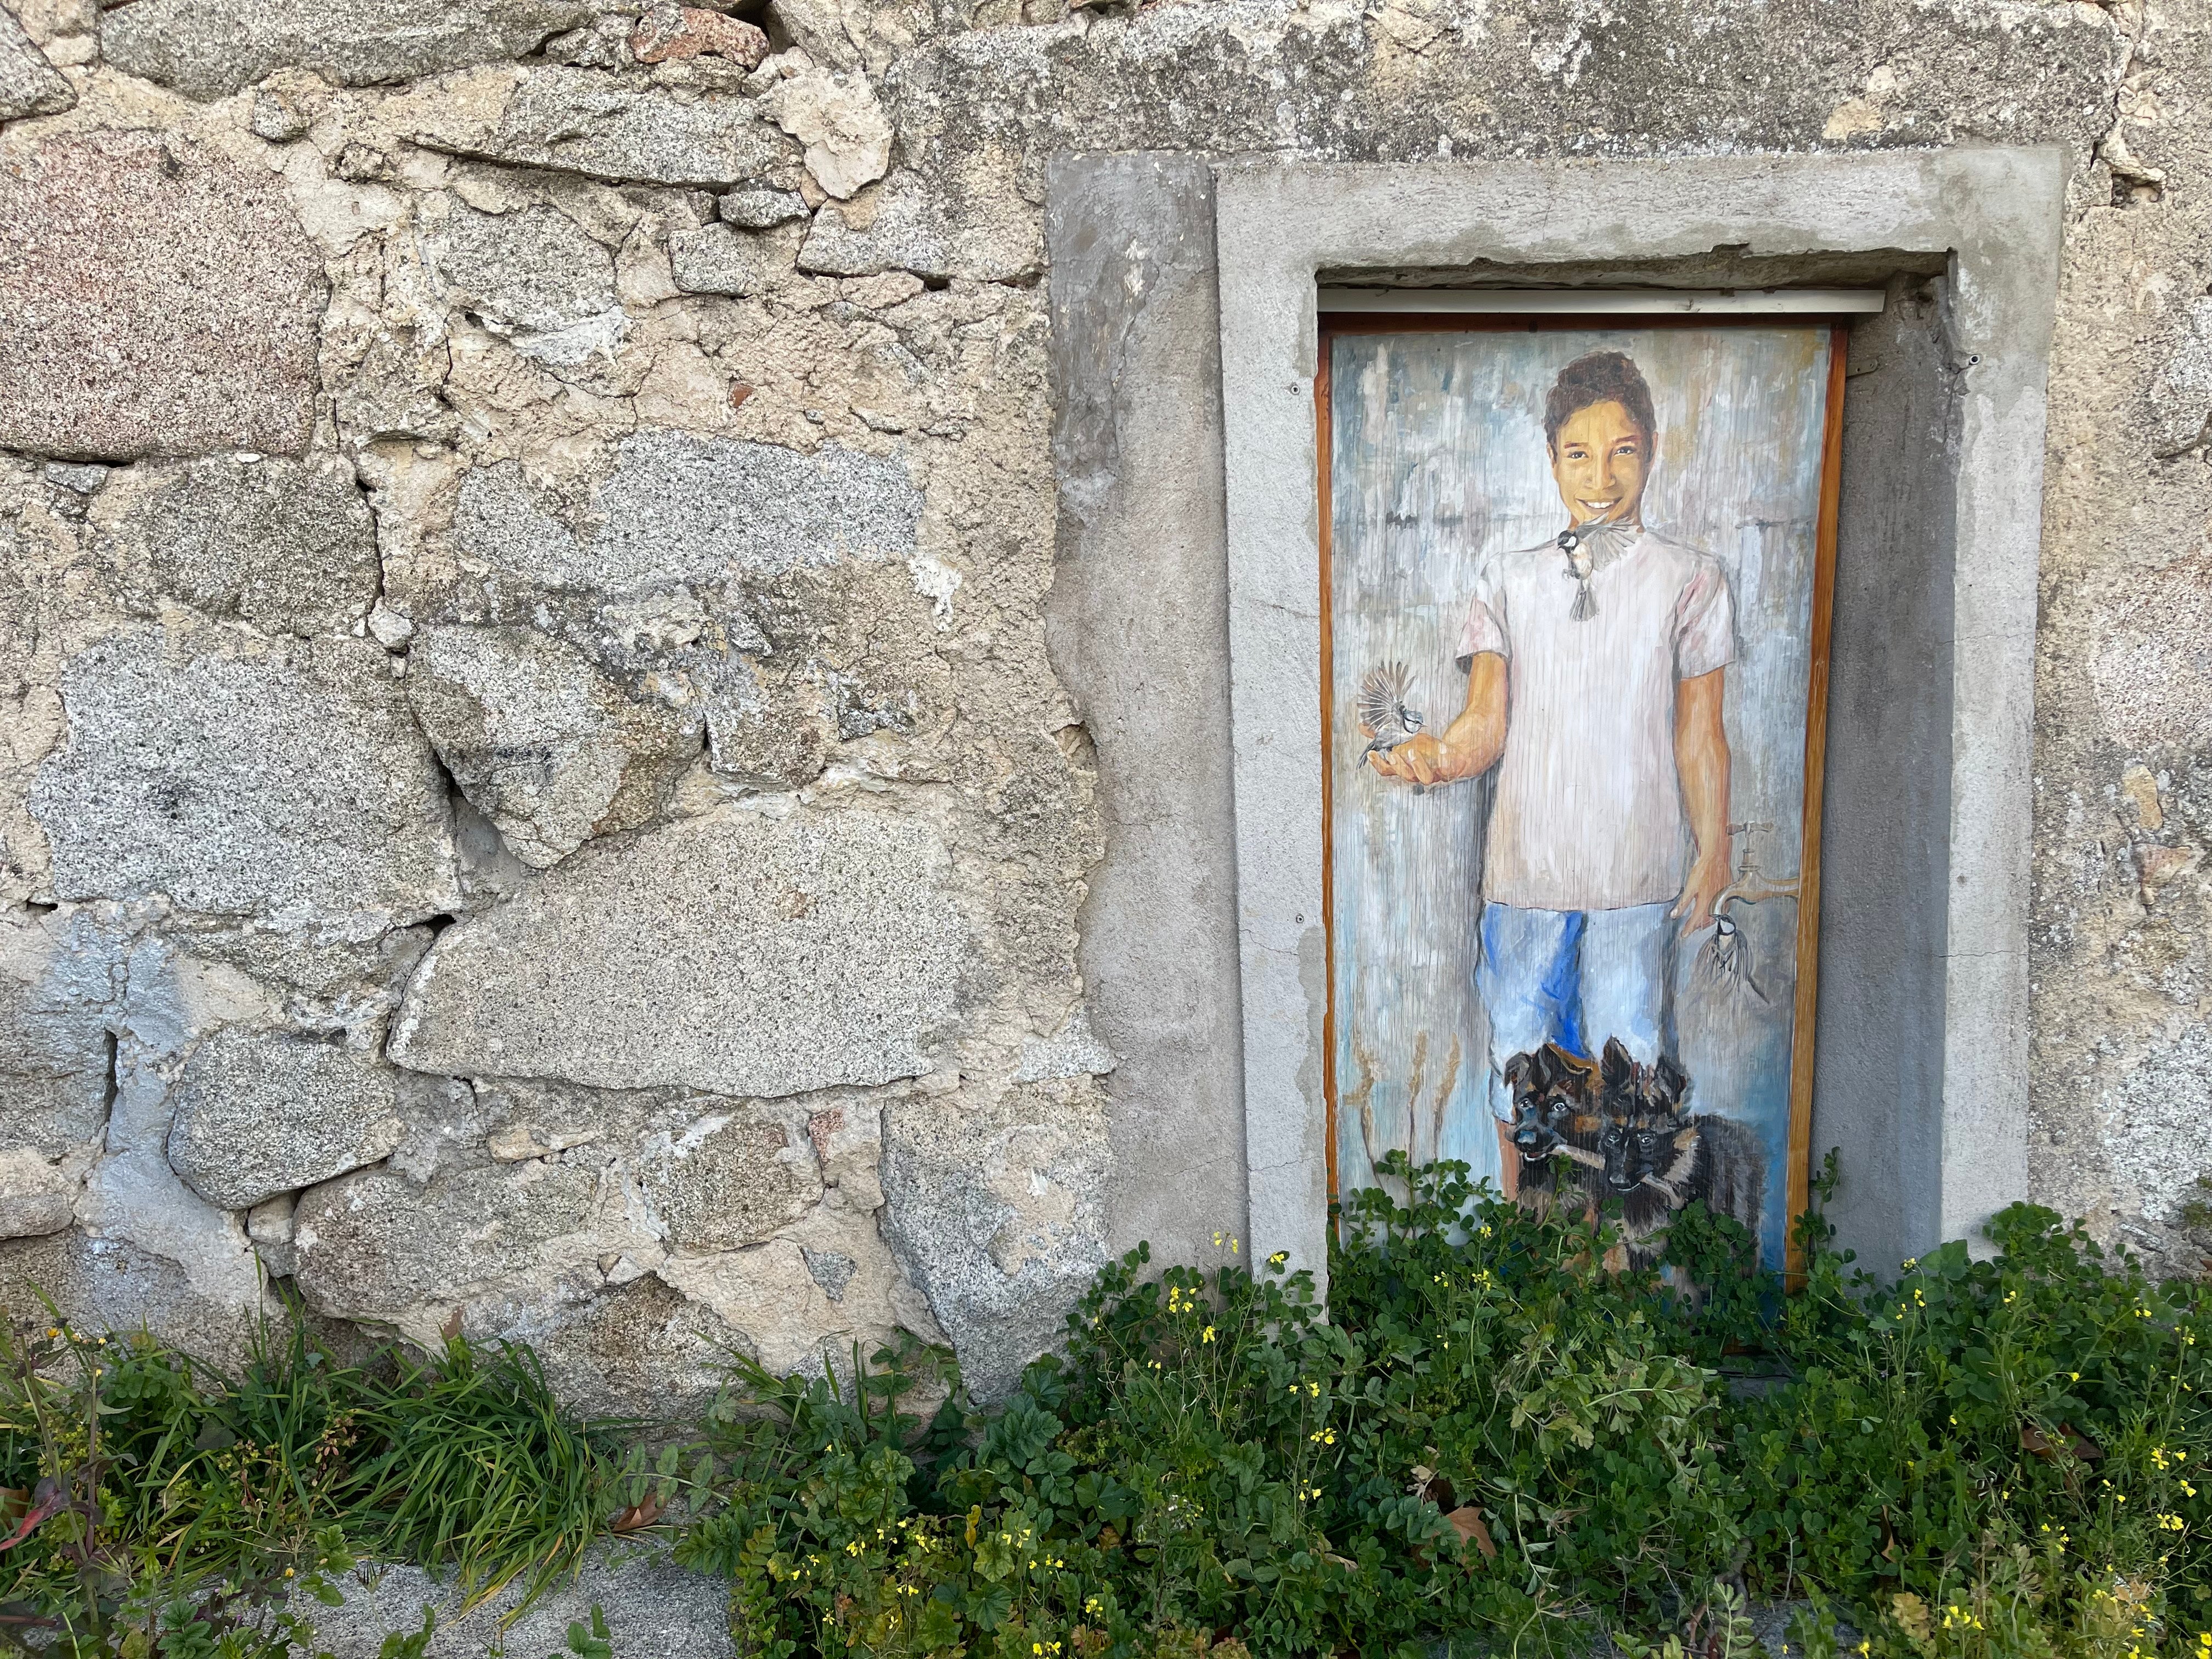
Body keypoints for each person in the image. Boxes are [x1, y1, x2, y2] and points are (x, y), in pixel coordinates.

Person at [1369, 350, 1734, 1194]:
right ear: (1552, 459)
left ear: (1652, 451)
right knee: (1519, 1061)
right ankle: (1525, 1239)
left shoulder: (1690, 580)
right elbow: (1484, 726)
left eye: (1623, 450)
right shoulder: (1510, 579)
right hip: (1526, 872)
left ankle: (1619, 1268)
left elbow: (1700, 735)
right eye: (1579, 453)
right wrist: (1435, 758)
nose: (1601, 475)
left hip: (1634, 875)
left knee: (1629, 1063)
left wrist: (1712, 853)